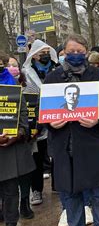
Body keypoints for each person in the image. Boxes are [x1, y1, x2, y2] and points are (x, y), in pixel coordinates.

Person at [44, 34, 99, 226]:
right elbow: (42, 114)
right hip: (64, 147)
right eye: (71, 52)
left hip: (93, 144)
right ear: (64, 53)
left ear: (86, 51)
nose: (75, 55)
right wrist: (50, 123)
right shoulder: (52, 78)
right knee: (70, 196)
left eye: (79, 51)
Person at [0, 51, 36, 226]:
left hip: (10, 149)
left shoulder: (14, 91)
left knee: (11, 191)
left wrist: (17, 135)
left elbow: (24, 124)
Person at [22, 39, 58, 207]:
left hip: (57, 117)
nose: (44, 56)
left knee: (58, 154)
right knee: (37, 157)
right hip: (37, 121)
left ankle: (58, 184)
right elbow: (27, 94)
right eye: (41, 53)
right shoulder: (26, 72)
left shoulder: (56, 69)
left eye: (47, 52)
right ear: (33, 56)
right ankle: (36, 190)